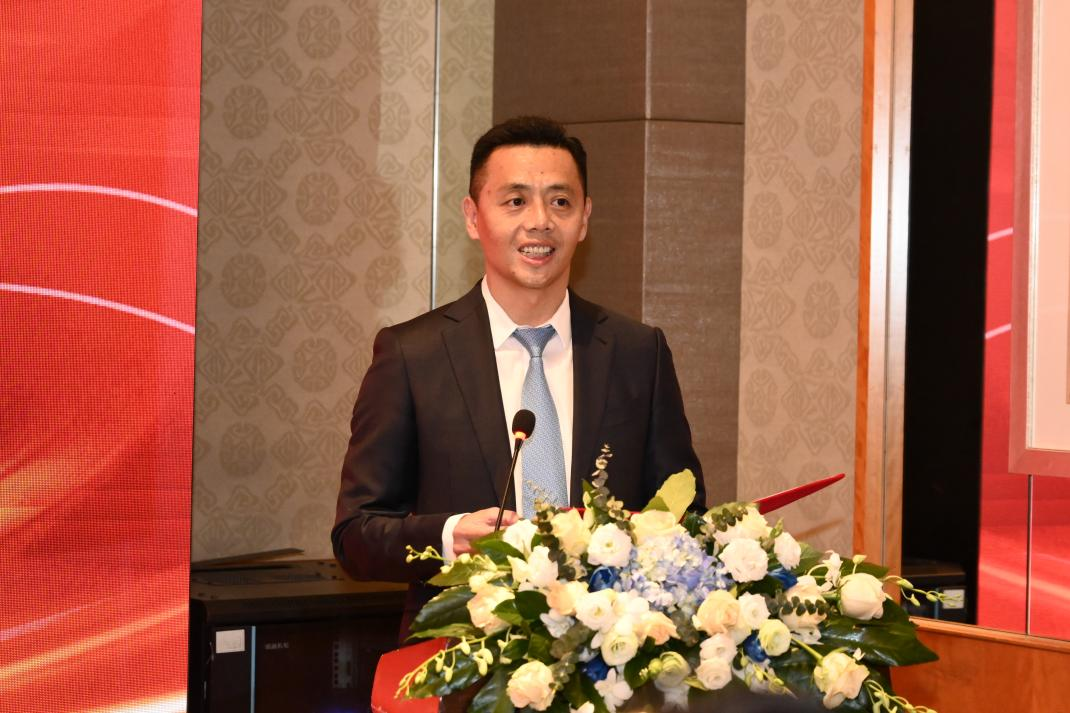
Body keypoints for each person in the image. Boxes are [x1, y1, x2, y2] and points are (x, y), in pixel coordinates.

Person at [332, 116, 704, 633]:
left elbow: (684, 517)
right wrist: (450, 536)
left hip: (607, 657)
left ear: (584, 218)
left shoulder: (638, 353)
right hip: (463, 658)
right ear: (473, 216)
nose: (540, 222)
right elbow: (356, 535)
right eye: (515, 201)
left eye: (560, 202)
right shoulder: (412, 355)